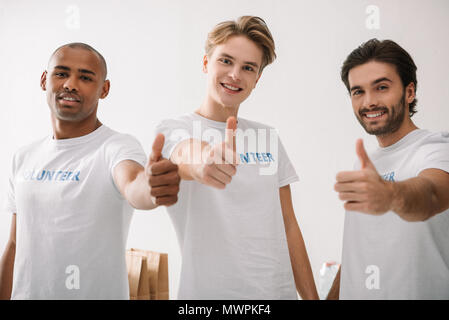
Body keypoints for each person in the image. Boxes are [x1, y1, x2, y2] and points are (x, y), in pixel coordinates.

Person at [0, 43, 180, 299]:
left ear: (104, 89)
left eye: (85, 77)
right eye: (61, 73)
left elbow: (133, 184)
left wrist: (150, 186)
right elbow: (15, 244)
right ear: (44, 80)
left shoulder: (116, 147)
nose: (71, 84)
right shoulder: (24, 157)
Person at [156, 16, 318, 299]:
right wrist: (204, 159)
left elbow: (288, 224)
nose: (235, 75)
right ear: (206, 64)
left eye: (248, 68)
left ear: (257, 79)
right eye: (226, 61)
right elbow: (184, 154)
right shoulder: (175, 130)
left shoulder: (268, 138)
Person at [328, 39, 449, 299]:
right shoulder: (364, 164)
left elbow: (431, 195)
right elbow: (356, 251)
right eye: (357, 91)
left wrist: (391, 195)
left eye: (381, 87)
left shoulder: (437, 148)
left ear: (409, 92)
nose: (369, 102)